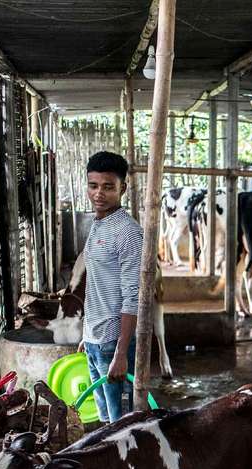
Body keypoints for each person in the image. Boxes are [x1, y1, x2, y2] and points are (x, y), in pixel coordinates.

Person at [80, 151, 143, 423]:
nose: (99, 194)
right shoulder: (98, 223)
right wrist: (86, 333)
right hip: (94, 340)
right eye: (93, 186)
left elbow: (133, 297)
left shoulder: (128, 232)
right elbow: (95, 285)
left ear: (123, 189)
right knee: (105, 418)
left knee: (121, 423)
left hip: (113, 342)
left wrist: (121, 353)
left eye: (108, 187)